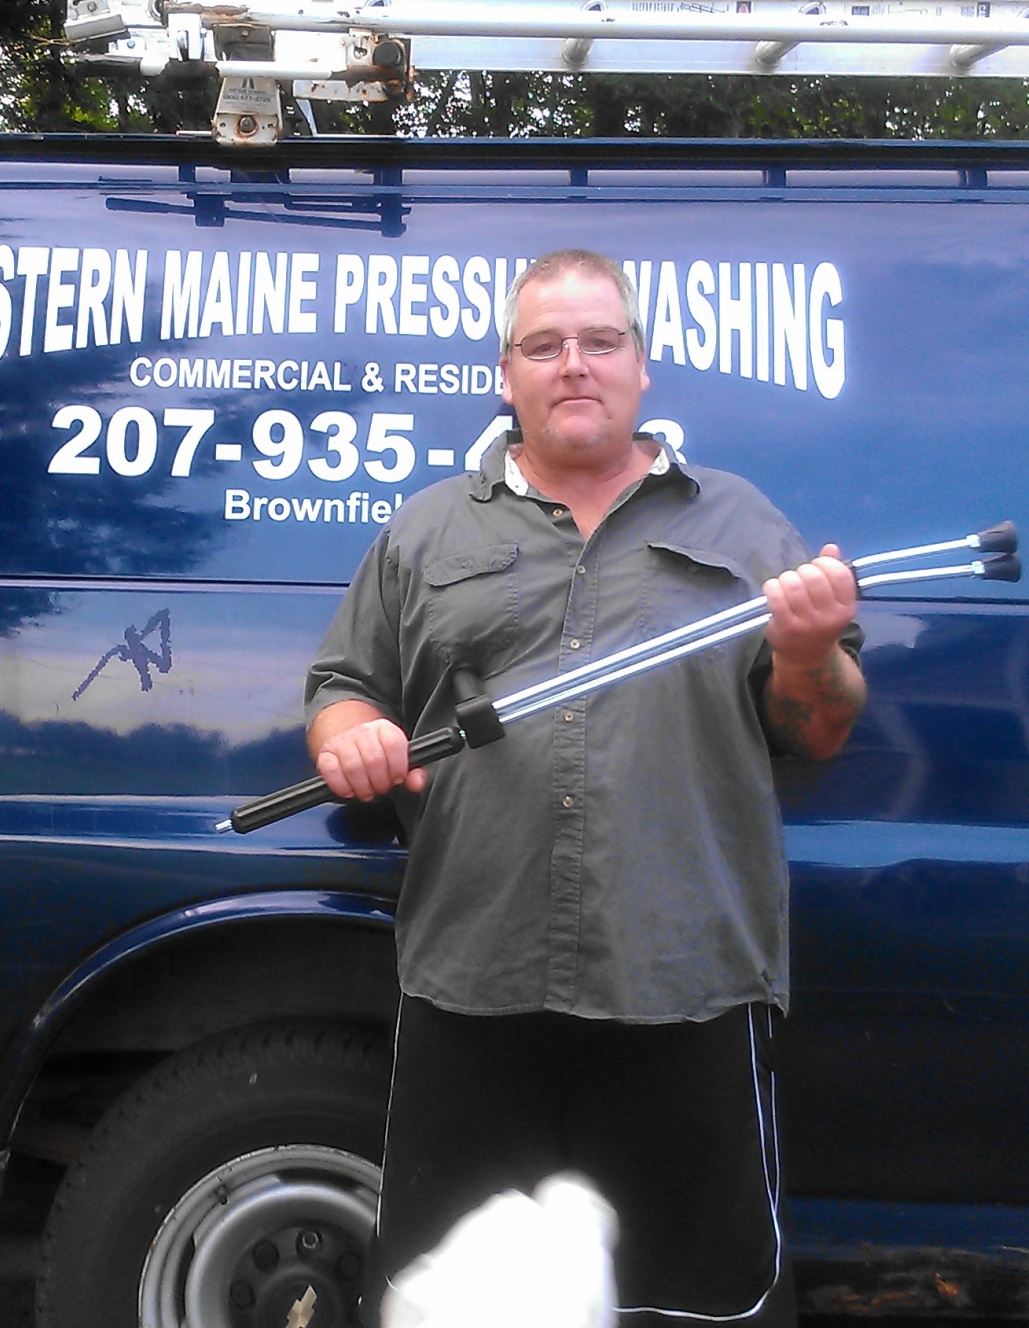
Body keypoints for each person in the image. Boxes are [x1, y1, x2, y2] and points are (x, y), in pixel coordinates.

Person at [305, 249, 866, 1326]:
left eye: (600, 341)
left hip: (684, 978)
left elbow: (819, 728)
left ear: (640, 366)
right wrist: (353, 735)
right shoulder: (428, 527)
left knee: (696, 1305)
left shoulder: (742, 522)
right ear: (504, 374)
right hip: (473, 974)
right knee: (452, 1300)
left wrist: (806, 653)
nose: (574, 364)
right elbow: (342, 685)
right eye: (545, 344)